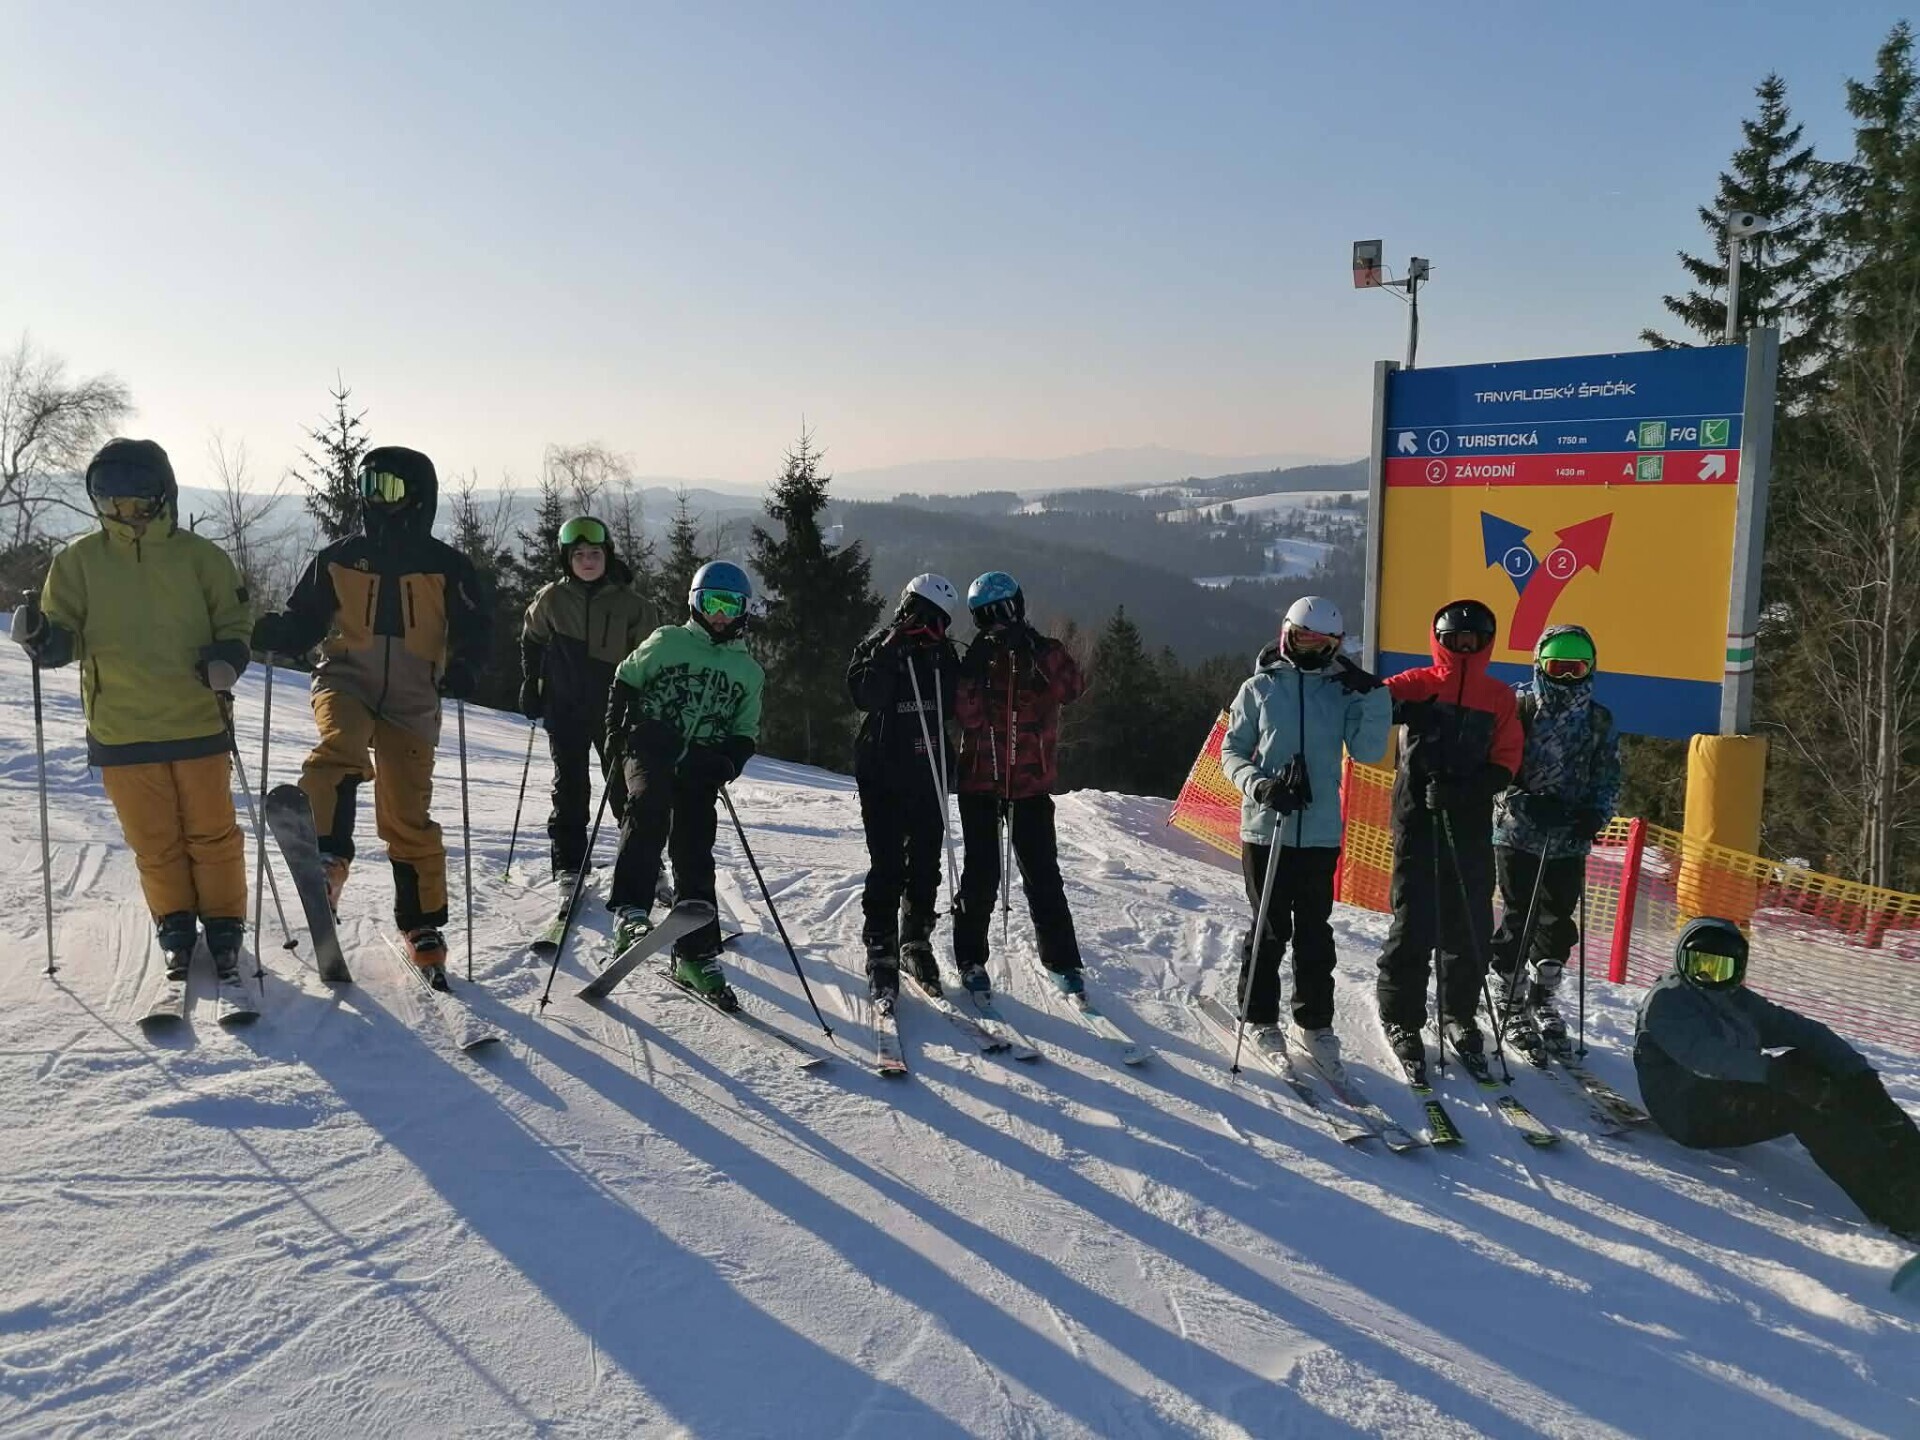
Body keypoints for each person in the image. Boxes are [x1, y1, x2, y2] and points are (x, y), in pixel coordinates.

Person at [9, 439, 253, 981]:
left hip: (197, 718)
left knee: (212, 832)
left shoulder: (201, 559)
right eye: (110, 501)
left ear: (162, 495)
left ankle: (225, 922)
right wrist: (44, 639)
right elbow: (65, 632)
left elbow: (235, 622)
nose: (124, 513)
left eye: (135, 500)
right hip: (121, 727)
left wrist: (228, 658)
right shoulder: (79, 562)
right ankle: (174, 923)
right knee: (153, 839)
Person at [249, 446, 491, 979]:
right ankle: (327, 861)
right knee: (340, 748)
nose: (376, 499)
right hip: (345, 678)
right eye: (368, 486)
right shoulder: (339, 558)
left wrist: (466, 667)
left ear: (418, 496)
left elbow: (476, 629)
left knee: (406, 814)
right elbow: (305, 618)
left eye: (389, 488)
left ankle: (422, 924)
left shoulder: (447, 566)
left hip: (413, 693)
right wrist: (281, 634)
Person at [1636, 916, 1920, 1241]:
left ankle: (1910, 1163)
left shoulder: (1734, 998)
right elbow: (1706, 1056)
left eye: (1719, 968)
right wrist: (1779, 1075)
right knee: (1799, 1101)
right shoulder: (1668, 1001)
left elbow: (1803, 1032)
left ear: (1737, 969)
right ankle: (1900, 1211)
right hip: (1688, 1111)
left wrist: (1860, 1075)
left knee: (1823, 1066)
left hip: (1724, 1093)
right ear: (1680, 959)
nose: (1706, 976)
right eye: (1698, 964)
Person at [1219, 596, 1391, 1071]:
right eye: (1302, 640)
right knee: (1270, 927)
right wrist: (1260, 785)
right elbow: (1232, 752)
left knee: (1315, 931)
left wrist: (1374, 696)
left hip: (1319, 831)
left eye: (1322, 644)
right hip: (1266, 827)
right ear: (1286, 635)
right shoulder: (1259, 688)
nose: (1310, 650)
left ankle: (1313, 1023)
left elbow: (1367, 751)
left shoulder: (1341, 693)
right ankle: (1258, 1017)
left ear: (1336, 646)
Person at [602, 560, 763, 1009]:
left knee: (695, 847)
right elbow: (626, 678)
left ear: (743, 611)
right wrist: (616, 729)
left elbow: (745, 730)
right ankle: (630, 909)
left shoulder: (748, 671)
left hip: (699, 764)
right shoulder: (668, 641)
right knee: (648, 805)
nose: (720, 615)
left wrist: (728, 762)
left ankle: (696, 954)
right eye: (711, 603)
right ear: (695, 602)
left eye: (730, 606)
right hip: (651, 746)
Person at [1376, 598, 1524, 1073]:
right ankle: (1401, 1016)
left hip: (1469, 819)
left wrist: (1467, 790)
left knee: (1470, 922)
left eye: (1471, 640)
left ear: (1485, 643)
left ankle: (1458, 1013)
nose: (1463, 648)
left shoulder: (1498, 697)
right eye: (1454, 640)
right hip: (1416, 817)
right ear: (1439, 641)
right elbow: (1371, 703)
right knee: (1414, 920)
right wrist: (1403, 709)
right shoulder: (1420, 681)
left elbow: (1507, 758)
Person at [951, 571, 1088, 997]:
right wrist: (970, 673)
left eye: (1002, 611)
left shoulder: (1045, 652)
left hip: (1030, 784)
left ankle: (1062, 960)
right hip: (981, 782)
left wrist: (1039, 651)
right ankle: (970, 958)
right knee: (981, 875)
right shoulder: (979, 660)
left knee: (1043, 874)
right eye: (984, 616)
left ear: (1018, 607)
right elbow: (967, 717)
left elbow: (1073, 688)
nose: (995, 623)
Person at [1489, 624, 1621, 1053]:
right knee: (1519, 914)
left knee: (1558, 919)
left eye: (1575, 669)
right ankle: (1509, 992)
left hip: (1568, 838)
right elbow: (1495, 767)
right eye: (1556, 668)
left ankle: (1542, 994)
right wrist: (1523, 802)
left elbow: (1608, 775)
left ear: (1590, 669)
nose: (1565, 678)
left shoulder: (1598, 719)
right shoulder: (1520, 707)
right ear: (1539, 665)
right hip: (1517, 833)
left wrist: (1595, 814)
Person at [847, 574, 962, 1002]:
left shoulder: (942, 654)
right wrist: (891, 650)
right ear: (908, 609)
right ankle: (881, 945)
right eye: (927, 618)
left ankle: (915, 939)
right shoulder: (877, 647)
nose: (933, 629)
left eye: (941, 622)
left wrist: (936, 652)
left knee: (926, 863)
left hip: (928, 768)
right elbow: (864, 695)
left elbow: (952, 703)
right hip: (882, 772)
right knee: (888, 864)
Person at [519, 516, 652, 884]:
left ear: (607, 555)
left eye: (594, 553)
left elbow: (649, 660)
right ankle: (569, 864)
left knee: (625, 788)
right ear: (567, 560)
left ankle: (642, 861)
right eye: (578, 555)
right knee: (570, 789)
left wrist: (643, 706)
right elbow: (532, 638)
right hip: (564, 707)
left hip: (616, 713)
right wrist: (531, 682)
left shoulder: (633, 605)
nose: (587, 561)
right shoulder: (552, 598)